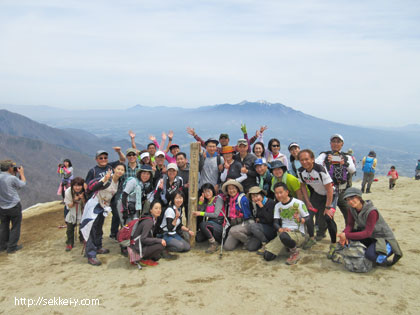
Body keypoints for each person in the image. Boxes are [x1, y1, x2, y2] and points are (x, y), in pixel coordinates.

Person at [337, 187, 402, 266]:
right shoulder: (351, 209)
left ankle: (389, 248)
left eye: (352, 198)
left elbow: (367, 232)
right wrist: (344, 235)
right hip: (370, 235)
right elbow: (350, 225)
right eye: (347, 200)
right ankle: (371, 247)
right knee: (346, 243)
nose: (350, 201)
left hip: (381, 237)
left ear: (359, 197)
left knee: (371, 256)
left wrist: (346, 235)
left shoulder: (371, 211)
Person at [80, 162, 126, 266]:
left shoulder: (119, 182)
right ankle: (91, 254)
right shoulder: (107, 178)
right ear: (114, 169)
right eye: (118, 169)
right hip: (95, 204)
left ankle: (98, 247)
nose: (120, 171)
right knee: (91, 228)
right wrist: (104, 180)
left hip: (103, 206)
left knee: (99, 226)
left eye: (122, 170)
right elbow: (91, 188)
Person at [297, 149, 336, 254]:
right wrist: (307, 200)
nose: (304, 162)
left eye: (307, 159)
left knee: (328, 218)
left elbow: (329, 189)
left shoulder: (320, 170)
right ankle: (312, 238)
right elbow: (303, 186)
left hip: (331, 195)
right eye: (302, 160)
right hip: (317, 195)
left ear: (312, 159)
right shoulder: (301, 171)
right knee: (308, 216)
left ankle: (333, 244)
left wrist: (328, 207)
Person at [263, 183, 310, 265]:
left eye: (280, 192)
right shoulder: (277, 206)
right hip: (284, 233)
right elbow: (276, 222)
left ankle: (295, 252)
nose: (278, 195)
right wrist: (280, 229)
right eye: (276, 193)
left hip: (298, 233)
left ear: (287, 192)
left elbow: (308, 218)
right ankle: (286, 246)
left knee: (284, 236)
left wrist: (301, 220)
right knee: (267, 256)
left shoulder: (298, 203)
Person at [316, 134, 356, 226]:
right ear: (330, 143)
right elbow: (316, 164)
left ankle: (350, 233)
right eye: (333, 141)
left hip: (343, 191)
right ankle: (321, 233)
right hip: (328, 191)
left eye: (338, 142)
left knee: (349, 213)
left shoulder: (347, 157)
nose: (335, 144)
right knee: (326, 214)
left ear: (342, 144)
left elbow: (352, 169)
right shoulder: (324, 155)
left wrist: (339, 161)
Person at [129, 200, 166, 267]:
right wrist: (159, 240)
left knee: (157, 257)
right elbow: (143, 239)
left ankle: (143, 257)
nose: (158, 210)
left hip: (135, 246)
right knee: (161, 245)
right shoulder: (149, 222)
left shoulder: (150, 218)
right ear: (151, 210)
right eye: (156, 208)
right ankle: (142, 259)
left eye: (160, 208)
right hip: (137, 249)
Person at [0, 160, 26, 254]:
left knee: (3, 226)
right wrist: (21, 174)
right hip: (14, 206)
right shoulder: (11, 178)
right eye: (12, 166)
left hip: (2, 207)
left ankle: (2, 246)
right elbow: (22, 184)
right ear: (9, 168)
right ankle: (11, 247)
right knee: (15, 226)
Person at [193, 183, 226, 253]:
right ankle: (212, 237)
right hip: (211, 224)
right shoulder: (206, 201)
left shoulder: (218, 199)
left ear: (212, 191)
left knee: (203, 224)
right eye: (205, 192)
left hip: (219, 224)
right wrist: (200, 202)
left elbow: (215, 214)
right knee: (198, 238)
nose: (207, 193)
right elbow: (200, 211)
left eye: (208, 191)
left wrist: (201, 213)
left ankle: (214, 243)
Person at [222, 180, 253, 251]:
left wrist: (239, 215)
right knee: (227, 247)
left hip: (245, 223)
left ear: (237, 189)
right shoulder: (228, 199)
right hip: (235, 225)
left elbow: (247, 215)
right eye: (229, 189)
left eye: (233, 188)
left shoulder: (242, 199)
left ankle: (247, 240)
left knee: (232, 231)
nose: (231, 190)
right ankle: (240, 238)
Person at [246, 186, 276, 254]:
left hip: (271, 229)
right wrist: (258, 219)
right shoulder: (256, 204)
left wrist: (262, 207)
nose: (255, 198)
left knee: (253, 226)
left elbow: (270, 220)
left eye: (256, 196)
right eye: (253, 197)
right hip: (261, 229)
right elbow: (258, 217)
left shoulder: (271, 203)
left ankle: (266, 243)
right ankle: (263, 240)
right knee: (251, 247)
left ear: (261, 194)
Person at [64, 177, 85, 251]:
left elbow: (87, 204)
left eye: (79, 185)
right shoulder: (68, 192)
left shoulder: (85, 191)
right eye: (75, 186)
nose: (77, 188)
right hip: (72, 210)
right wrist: (74, 200)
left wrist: (82, 198)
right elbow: (69, 205)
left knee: (83, 226)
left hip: (82, 210)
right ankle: (69, 243)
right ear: (72, 186)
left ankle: (83, 238)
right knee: (70, 228)